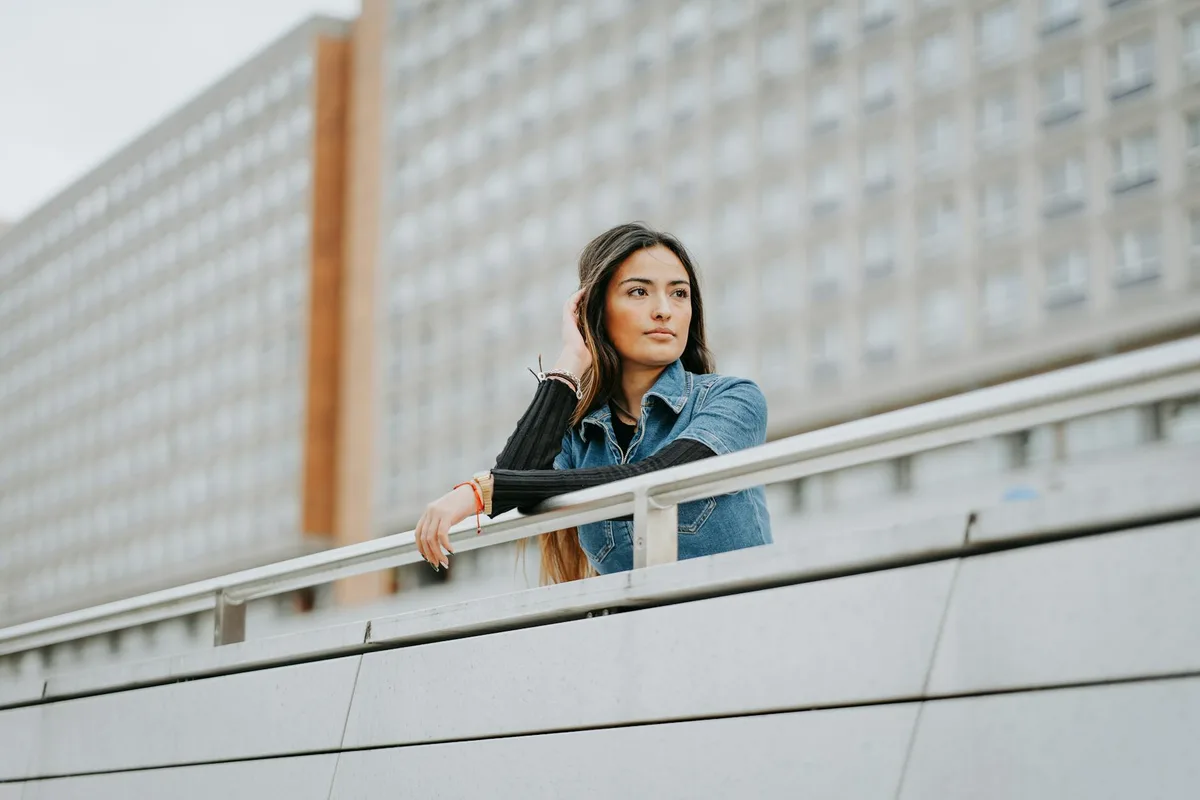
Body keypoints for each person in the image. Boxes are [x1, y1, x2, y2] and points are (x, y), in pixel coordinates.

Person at [415, 222, 773, 583]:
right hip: (637, 633)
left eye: (679, 294)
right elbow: (522, 483)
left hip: (740, 625)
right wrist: (572, 358)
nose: (664, 310)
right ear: (596, 310)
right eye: (639, 292)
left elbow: (658, 479)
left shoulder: (733, 399)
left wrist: (483, 492)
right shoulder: (580, 438)